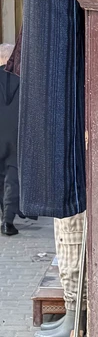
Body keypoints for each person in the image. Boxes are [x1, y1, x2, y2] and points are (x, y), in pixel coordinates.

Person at [0, 41, 19, 235]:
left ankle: (3, 214)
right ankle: (8, 221)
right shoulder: (23, 78)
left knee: (0, 176)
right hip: (16, 135)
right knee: (12, 177)